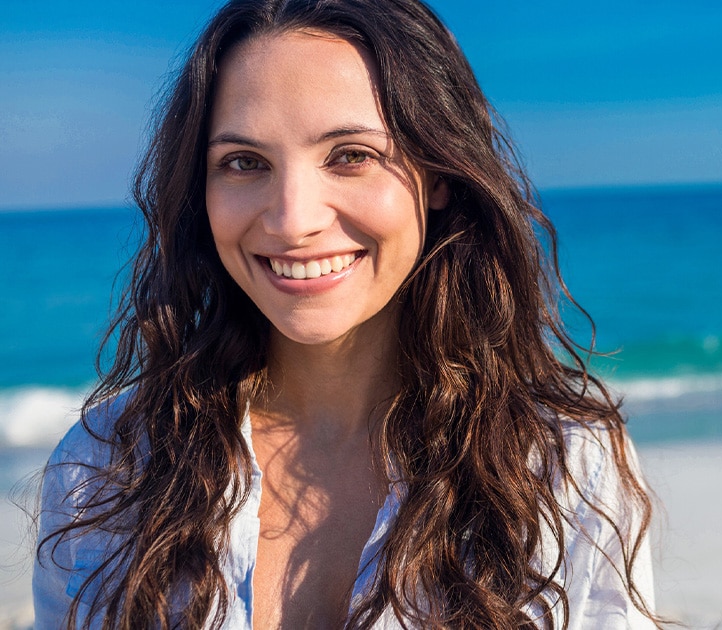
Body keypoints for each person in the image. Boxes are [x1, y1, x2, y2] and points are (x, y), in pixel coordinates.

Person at [32, 0, 659, 627]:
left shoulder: (561, 464)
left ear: (439, 171)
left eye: (350, 154)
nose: (292, 220)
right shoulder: (104, 469)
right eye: (244, 163)